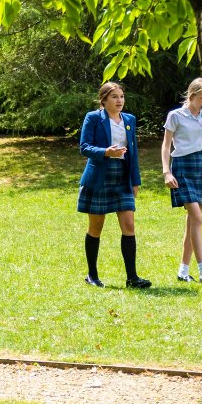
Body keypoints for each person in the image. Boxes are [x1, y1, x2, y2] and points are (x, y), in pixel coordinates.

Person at [77, 82, 149, 288]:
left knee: (129, 226)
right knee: (95, 228)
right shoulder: (93, 118)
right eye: (114, 97)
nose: (120, 101)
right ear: (104, 100)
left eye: (122, 96)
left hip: (123, 176)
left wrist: (136, 180)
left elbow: (133, 153)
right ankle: (92, 275)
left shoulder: (129, 120)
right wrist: (106, 152)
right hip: (99, 176)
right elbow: (84, 147)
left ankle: (132, 278)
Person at [161, 77, 202, 285]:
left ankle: (183, 270)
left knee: (193, 221)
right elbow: (166, 146)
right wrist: (167, 172)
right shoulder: (176, 115)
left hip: (201, 165)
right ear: (192, 95)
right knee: (197, 218)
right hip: (182, 166)